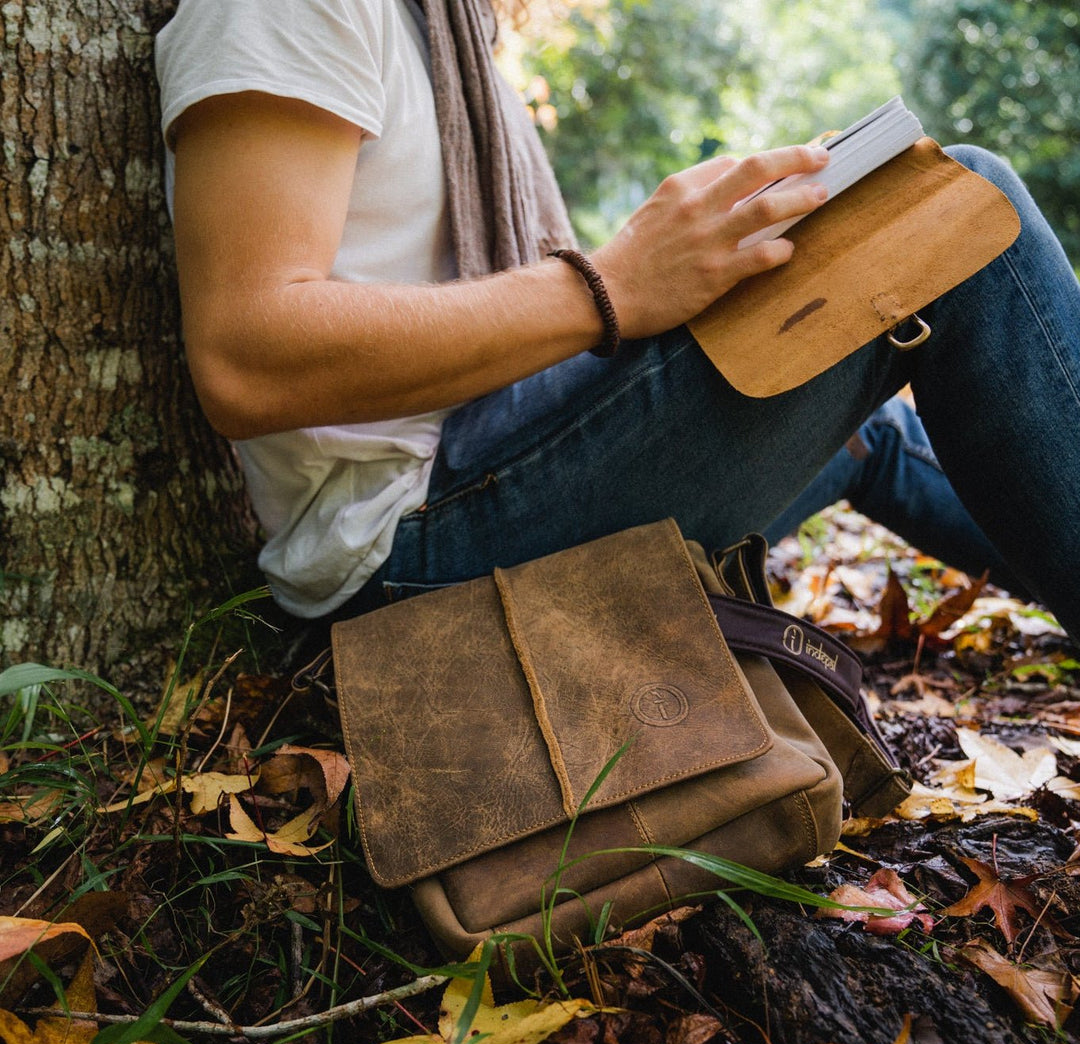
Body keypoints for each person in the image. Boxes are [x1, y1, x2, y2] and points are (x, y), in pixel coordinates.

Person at [155, 0, 1079, 643]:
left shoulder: (448, 35)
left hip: (475, 470)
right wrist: (612, 284)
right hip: (400, 548)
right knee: (957, 217)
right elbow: (245, 356)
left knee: (848, 384)